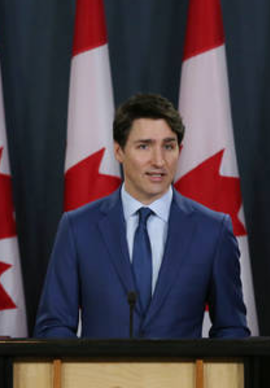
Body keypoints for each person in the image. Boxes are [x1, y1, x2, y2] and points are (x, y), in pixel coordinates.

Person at [34, 93, 249, 339]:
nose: (158, 161)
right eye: (144, 146)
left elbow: (232, 329)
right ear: (119, 151)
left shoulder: (213, 230)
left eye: (168, 146)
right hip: (100, 378)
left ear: (180, 150)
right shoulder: (78, 228)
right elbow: (53, 326)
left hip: (182, 378)